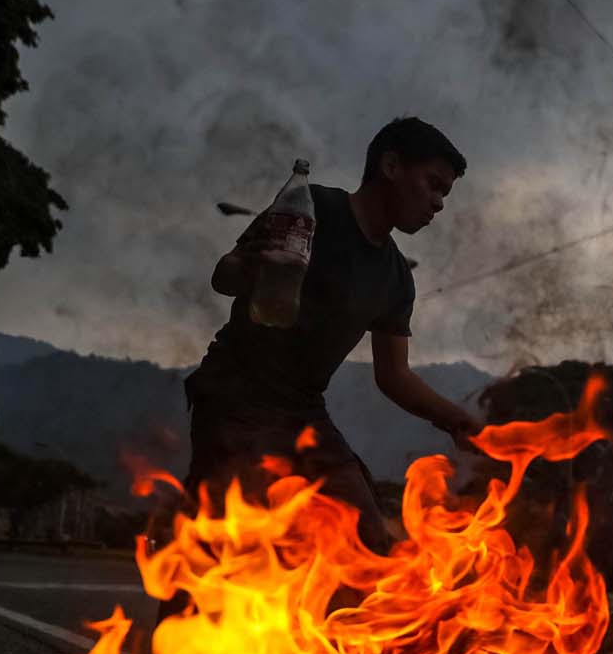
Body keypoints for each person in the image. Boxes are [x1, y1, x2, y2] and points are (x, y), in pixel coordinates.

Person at [180, 117, 481, 552]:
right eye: (432, 184)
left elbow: (394, 376)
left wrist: (456, 419)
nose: (437, 203)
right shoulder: (309, 209)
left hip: (303, 411)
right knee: (221, 545)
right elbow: (223, 277)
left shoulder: (397, 278)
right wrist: (252, 268)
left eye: (444, 195)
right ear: (391, 166)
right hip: (234, 396)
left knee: (370, 542)